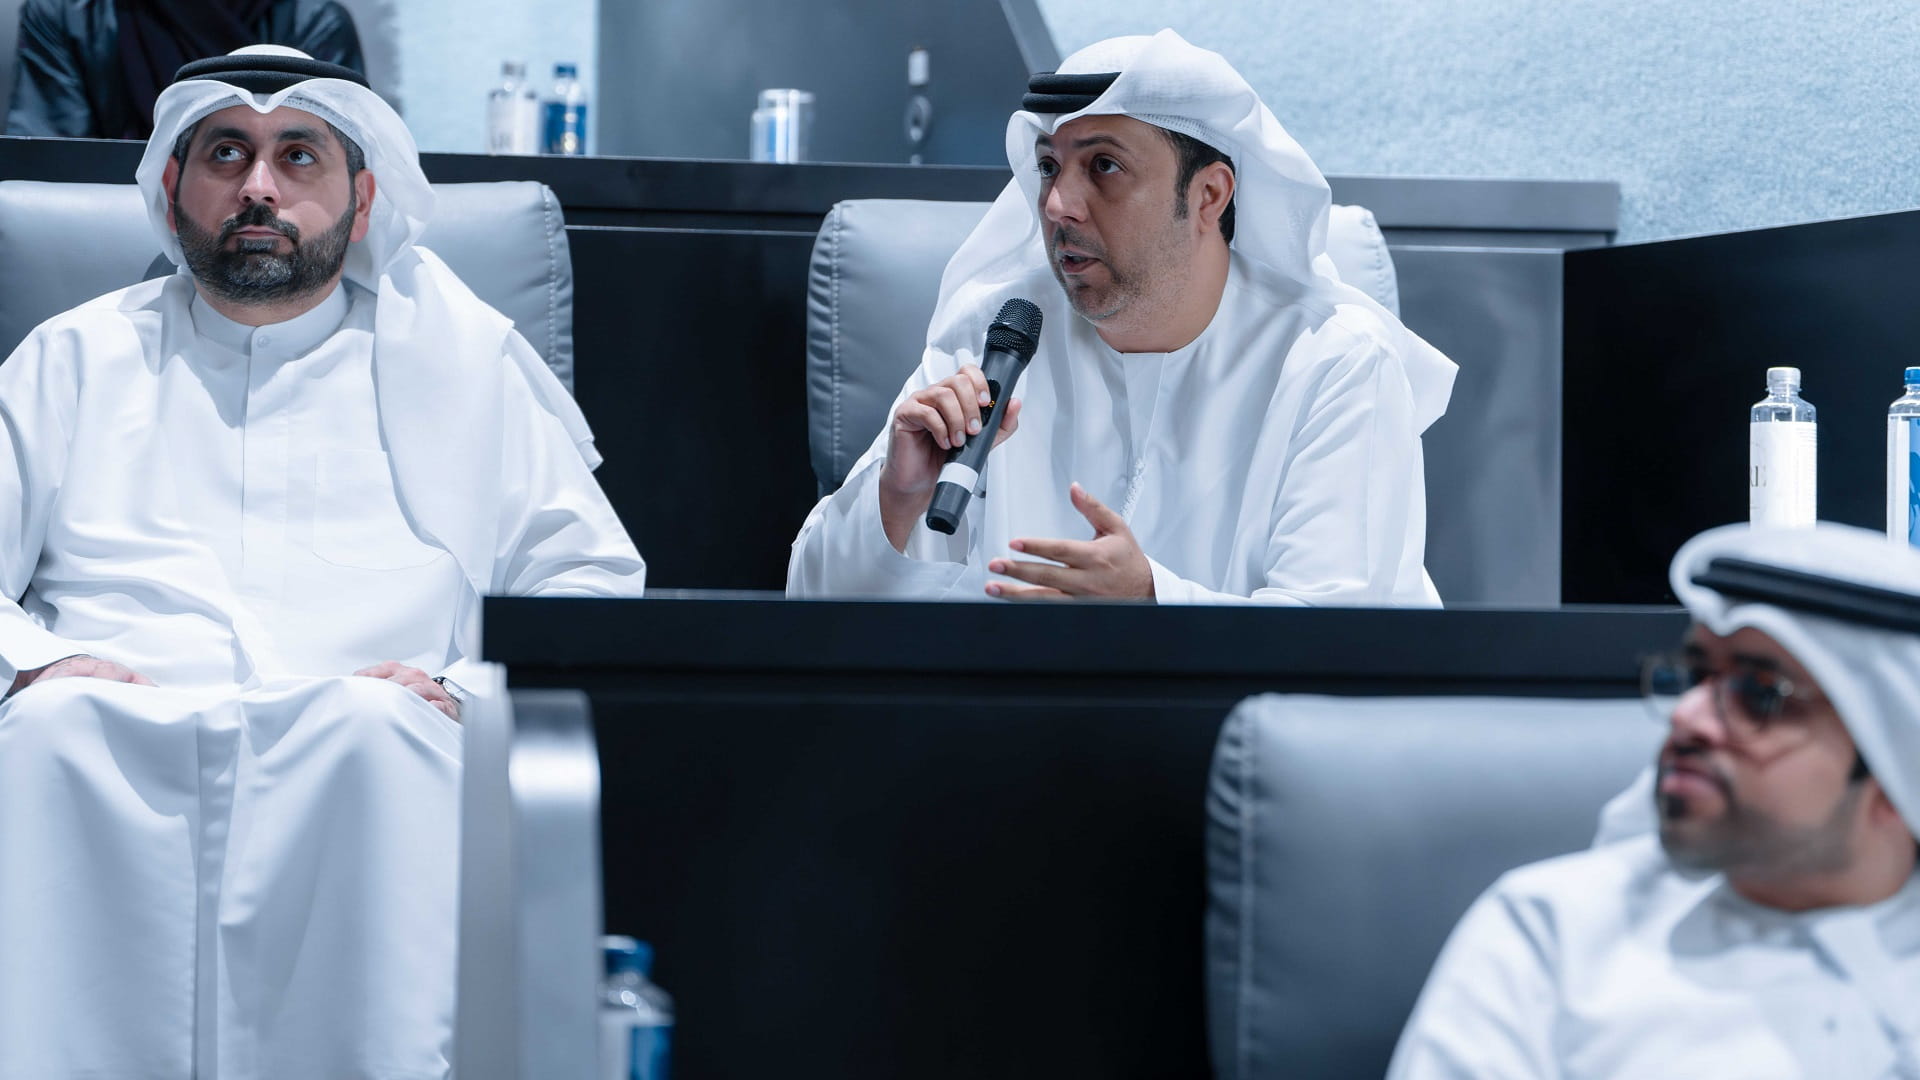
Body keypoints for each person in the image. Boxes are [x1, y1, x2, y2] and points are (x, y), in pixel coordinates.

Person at [0, 47, 644, 1078]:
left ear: (364, 197)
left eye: (298, 155)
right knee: (49, 731)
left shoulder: (465, 365)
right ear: (172, 188)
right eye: (227, 154)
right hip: (114, 736)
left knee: (371, 733)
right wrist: (31, 663)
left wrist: (461, 689)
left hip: (378, 739)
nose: (259, 186)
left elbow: (589, 583)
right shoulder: (73, 357)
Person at [787, 29, 1455, 605]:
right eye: (1049, 166)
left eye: (1104, 165)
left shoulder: (1335, 363)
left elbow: (1343, 643)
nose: (1057, 204)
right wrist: (896, 498)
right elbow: (813, 604)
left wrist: (1152, 602)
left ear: (1209, 195)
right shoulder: (997, 335)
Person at [1388, 523, 1920, 1079]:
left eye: (1760, 695)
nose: (1688, 717)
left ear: (1893, 764)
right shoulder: (1554, 936)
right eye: (1697, 676)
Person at [7, 0, 362, 138]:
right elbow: (49, 164)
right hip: (105, 229)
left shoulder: (314, 23)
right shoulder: (68, 14)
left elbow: (334, 169)